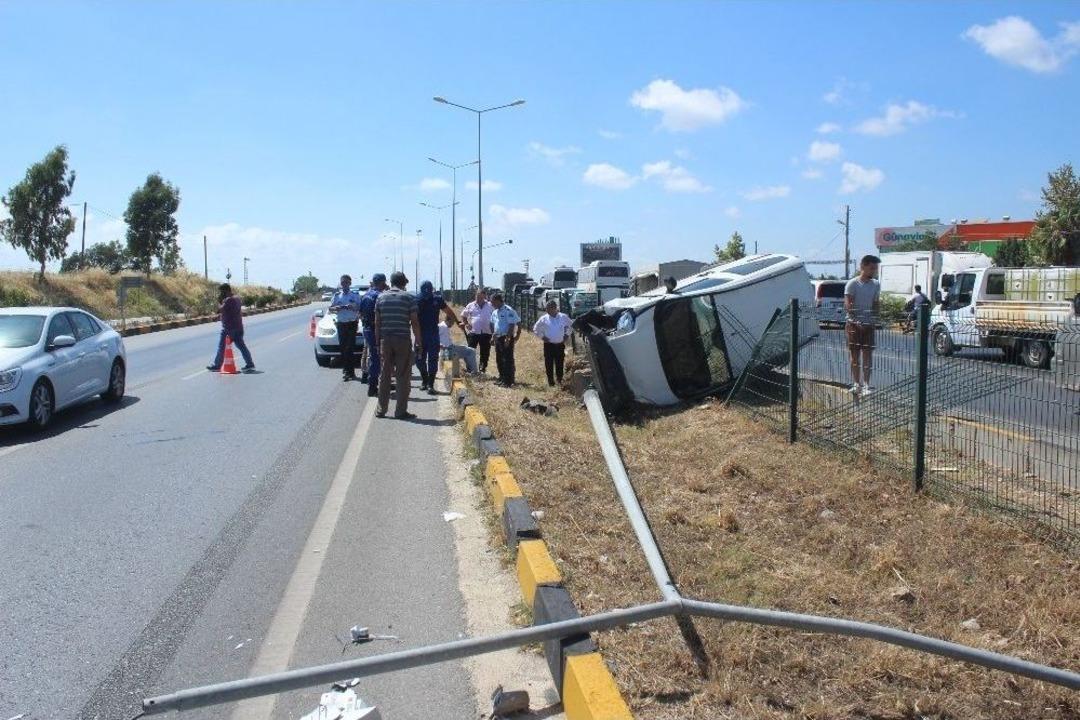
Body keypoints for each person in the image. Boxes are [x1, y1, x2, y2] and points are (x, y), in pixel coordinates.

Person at [374, 271, 423, 419]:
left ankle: (381, 410)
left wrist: (377, 343)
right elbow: (414, 321)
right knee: (403, 376)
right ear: (403, 283)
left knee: (385, 375)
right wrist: (418, 341)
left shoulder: (380, 297)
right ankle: (400, 411)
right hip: (402, 340)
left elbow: (377, 322)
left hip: (385, 340)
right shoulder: (409, 297)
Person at [414, 280, 464, 394]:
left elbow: (448, 311)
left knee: (433, 358)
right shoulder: (416, 300)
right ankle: (424, 379)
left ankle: (430, 384)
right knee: (419, 359)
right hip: (420, 334)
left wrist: (457, 321)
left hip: (433, 333)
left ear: (432, 290)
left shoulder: (437, 299)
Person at [844, 255, 881, 396]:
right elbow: (848, 305)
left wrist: (875, 318)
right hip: (854, 325)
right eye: (871, 268)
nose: (874, 271)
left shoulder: (876, 284)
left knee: (867, 354)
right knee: (854, 355)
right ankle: (856, 383)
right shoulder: (852, 284)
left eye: (875, 268)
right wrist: (856, 320)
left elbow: (875, 303)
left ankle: (866, 384)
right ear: (863, 267)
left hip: (869, 324)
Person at [207, 283, 255, 372]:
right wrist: (218, 317)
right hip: (238, 327)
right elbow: (229, 312)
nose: (221, 294)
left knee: (222, 347)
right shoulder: (237, 299)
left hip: (229, 329)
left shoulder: (228, 300)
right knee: (242, 346)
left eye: (222, 292)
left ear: (226, 291)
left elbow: (221, 309)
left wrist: (219, 302)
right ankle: (250, 364)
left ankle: (217, 365)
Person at [359, 273, 388, 397]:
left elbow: (360, 313)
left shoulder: (366, 295)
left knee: (374, 357)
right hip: (376, 330)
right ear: (382, 282)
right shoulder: (379, 296)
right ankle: (372, 387)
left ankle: (379, 383)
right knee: (377, 358)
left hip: (366, 329)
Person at [329, 274, 362, 382]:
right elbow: (331, 309)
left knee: (350, 348)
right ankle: (346, 369)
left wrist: (353, 307)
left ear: (350, 283)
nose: (345, 285)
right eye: (343, 283)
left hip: (352, 323)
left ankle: (349, 372)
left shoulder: (355, 295)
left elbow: (360, 308)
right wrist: (336, 308)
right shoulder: (337, 295)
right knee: (343, 348)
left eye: (346, 282)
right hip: (341, 324)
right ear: (341, 283)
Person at [533, 299, 572, 386]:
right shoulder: (544, 318)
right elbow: (535, 329)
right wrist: (542, 337)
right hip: (549, 345)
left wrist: (566, 335)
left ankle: (559, 380)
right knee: (549, 363)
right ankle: (551, 382)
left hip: (559, 344)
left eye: (549, 308)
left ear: (554, 308)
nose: (547, 310)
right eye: (546, 308)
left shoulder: (563, 317)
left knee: (560, 362)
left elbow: (571, 326)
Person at [490, 293, 521, 387]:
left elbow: (512, 325)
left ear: (499, 301)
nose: (492, 304)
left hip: (506, 337)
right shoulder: (495, 312)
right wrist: (493, 336)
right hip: (498, 337)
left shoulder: (508, 310)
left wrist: (508, 338)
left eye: (493, 302)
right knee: (499, 359)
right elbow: (492, 323)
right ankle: (502, 378)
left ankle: (509, 380)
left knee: (507, 359)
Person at [461, 289, 495, 373]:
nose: (478, 298)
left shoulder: (490, 305)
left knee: (485, 352)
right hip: (473, 332)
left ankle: (482, 369)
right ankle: (470, 369)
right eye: (477, 296)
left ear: (484, 296)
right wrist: (466, 324)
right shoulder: (471, 305)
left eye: (480, 296)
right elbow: (463, 315)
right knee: (470, 351)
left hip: (486, 332)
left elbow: (496, 315)